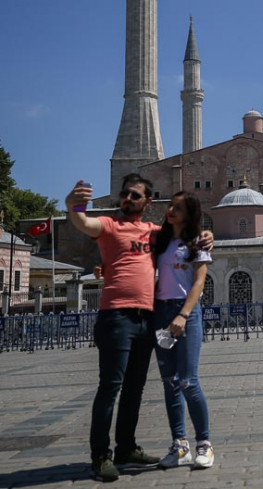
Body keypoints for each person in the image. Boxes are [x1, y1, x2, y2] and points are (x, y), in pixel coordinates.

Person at [66, 175, 213, 482]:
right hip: (117, 316)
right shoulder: (108, 225)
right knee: (111, 387)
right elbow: (83, 224)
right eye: (125, 194)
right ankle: (100, 456)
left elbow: (185, 240)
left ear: (148, 202)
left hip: (149, 319)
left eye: (136, 195)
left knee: (137, 388)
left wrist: (208, 234)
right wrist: (74, 206)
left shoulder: (155, 233)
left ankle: (128, 447)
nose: (128, 199)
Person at [152, 192, 216, 470]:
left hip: (185, 314)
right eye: (170, 206)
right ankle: (180, 445)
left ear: (190, 214)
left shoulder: (197, 244)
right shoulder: (160, 242)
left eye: (178, 208)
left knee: (188, 380)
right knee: (169, 380)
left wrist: (183, 314)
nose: (171, 211)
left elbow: (199, 283)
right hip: (161, 312)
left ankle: (204, 443)